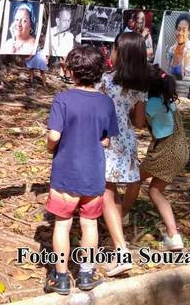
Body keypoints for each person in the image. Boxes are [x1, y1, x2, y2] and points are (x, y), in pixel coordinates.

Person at [44, 46, 119, 294]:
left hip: (66, 173)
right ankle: (86, 274)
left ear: (71, 71)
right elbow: (106, 140)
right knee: (89, 224)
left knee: (62, 225)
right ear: (100, 72)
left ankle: (61, 277)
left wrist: (50, 146)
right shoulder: (106, 102)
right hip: (93, 174)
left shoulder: (63, 99)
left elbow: (54, 135)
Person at [99, 32, 149, 276]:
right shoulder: (141, 86)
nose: (112, 52)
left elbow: (96, 110)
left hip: (107, 139)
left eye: (114, 48)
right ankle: (117, 244)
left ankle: (121, 251)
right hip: (127, 140)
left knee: (106, 193)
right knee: (111, 193)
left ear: (121, 53)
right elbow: (139, 122)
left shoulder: (106, 81)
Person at [138, 65, 189, 249]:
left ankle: (122, 213)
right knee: (155, 190)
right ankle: (173, 235)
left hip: (164, 152)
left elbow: (138, 122)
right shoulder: (167, 99)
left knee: (134, 178)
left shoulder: (150, 104)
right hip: (181, 151)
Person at [167, 13, 190, 80]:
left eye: (184, 30)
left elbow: (189, 77)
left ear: (188, 32)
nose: (180, 33)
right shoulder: (171, 49)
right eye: (178, 29)